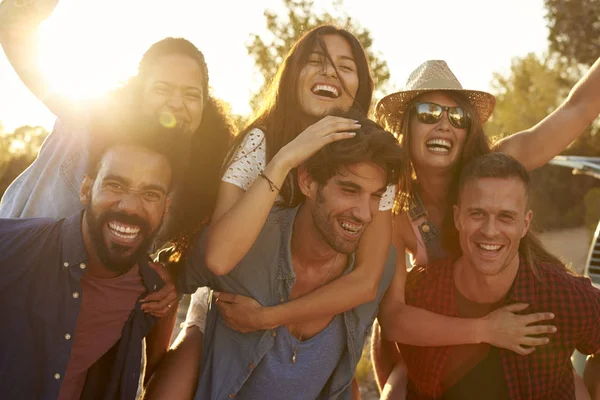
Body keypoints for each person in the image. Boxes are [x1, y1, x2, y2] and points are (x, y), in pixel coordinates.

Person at [373, 59, 600, 399]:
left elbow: (577, 109)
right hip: (452, 329)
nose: (444, 125)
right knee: (395, 379)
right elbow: (393, 318)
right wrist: (486, 329)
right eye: (429, 113)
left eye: (459, 117)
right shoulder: (400, 213)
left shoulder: (496, 168)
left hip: (522, 315)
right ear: (407, 125)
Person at [170, 111, 404, 400]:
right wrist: (176, 362)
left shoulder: (381, 267)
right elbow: (165, 279)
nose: (364, 213)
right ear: (307, 182)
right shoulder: (246, 244)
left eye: (375, 196)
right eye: (349, 190)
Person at [0, 0, 233, 249]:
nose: (176, 103)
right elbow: (13, 29)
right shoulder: (92, 118)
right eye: (162, 89)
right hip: (14, 263)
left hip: (89, 288)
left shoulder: (197, 178)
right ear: (139, 92)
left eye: (191, 95)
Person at [0, 114, 187, 400]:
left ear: (165, 207)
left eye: (150, 193)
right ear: (86, 190)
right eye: (116, 185)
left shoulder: (154, 289)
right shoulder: (15, 245)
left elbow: (154, 370)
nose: (130, 207)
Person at [396, 152, 600, 399]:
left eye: (506, 217)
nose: (490, 231)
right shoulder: (417, 293)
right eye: (477, 214)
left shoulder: (562, 296)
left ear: (525, 224)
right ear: (458, 217)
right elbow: (389, 347)